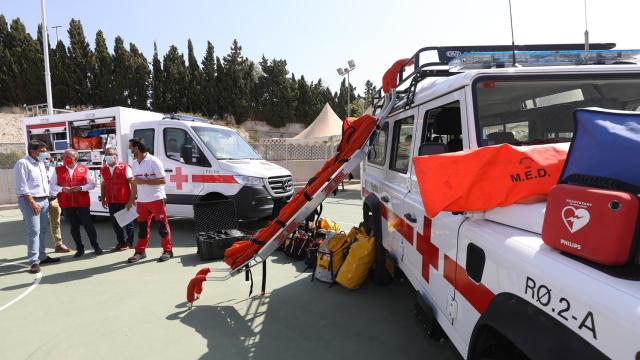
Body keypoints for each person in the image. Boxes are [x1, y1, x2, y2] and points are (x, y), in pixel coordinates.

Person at [14, 140, 61, 273]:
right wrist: (32, 202)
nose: (45, 153)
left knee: (43, 230)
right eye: (42, 151)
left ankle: (42, 256)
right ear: (33, 151)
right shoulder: (23, 163)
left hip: (44, 200)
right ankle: (34, 261)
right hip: (30, 201)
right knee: (34, 231)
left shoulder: (41, 163)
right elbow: (22, 186)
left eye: (45, 150)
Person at [127, 138, 173, 263]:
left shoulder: (153, 161)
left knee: (162, 226)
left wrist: (144, 181)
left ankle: (168, 250)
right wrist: (132, 199)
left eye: (130, 147)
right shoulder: (134, 163)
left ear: (136, 148)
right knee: (142, 228)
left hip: (156, 199)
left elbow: (163, 180)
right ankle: (140, 252)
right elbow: (135, 184)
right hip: (141, 201)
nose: (129, 150)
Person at [51, 149, 103, 257]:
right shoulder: (58, 170)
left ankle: (96, 246)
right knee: (74, 227)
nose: (65, 158)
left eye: (68, 156)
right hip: (67, 203)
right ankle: (79, 248)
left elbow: (92, 184)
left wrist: (81, 188)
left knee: (88, 225)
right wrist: (62, 189)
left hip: (82, 202)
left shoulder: (83, 169)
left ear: (75, 158)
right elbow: (52, 185)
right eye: (64, 156)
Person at [100, 147, 135, 251]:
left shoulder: (124, 167)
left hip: (124, 200)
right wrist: (103, 199)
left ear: (116, 155)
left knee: (128, 223)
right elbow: (103, 184)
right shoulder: (104, 169)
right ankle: (121, 242)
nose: (108, 156)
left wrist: (131, 200)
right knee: (116, 224)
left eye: (110, 154)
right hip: (111, 200)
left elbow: (133, 183)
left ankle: (129, 243)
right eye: (106, 154)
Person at [44, 154, 71, 253]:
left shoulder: (55, 170)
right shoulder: (36, 169)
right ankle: (39, 248)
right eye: (44, 158)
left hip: (54, 199)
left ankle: (58, 244)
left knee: (56, 223)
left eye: (47, 158)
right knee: (39, 225)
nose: (45, 160)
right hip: (40, 200)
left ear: (51, 159)